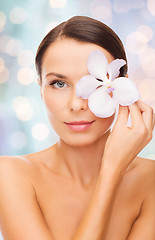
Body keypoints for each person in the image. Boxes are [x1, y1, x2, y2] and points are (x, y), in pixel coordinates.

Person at [0, 16, 155, 240]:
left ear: (122, 86)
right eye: (59, 84)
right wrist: (111, 173)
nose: (76, 104)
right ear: (40, 89)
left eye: (93, 83)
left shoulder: (151, 181)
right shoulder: (11, 174)